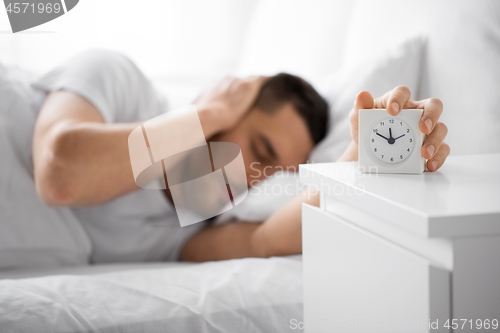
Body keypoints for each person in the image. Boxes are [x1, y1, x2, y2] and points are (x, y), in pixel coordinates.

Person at [1, 49, 449, 265]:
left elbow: (266, 241)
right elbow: (60, 174)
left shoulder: (185, 231)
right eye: (262, 150)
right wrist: (207, 113)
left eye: (274, 173)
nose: (255, 176)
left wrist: (367, 157)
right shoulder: (120, 83)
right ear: (234, 100)